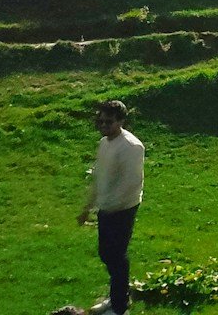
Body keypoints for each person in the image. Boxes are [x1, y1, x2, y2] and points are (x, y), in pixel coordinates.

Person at [78, 100, 144, 315]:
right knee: (106, 254)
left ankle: (119, 306)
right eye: (101, 121)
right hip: (106, 208)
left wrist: (112, 207)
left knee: (116, 255)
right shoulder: (104, 143)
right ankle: (117, 296)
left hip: (122, 209)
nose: (103, 126)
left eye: (108, 122)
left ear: (121, 121)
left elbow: (131, 183)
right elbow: (99, 177)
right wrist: (88, 207)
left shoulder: (132, 147)